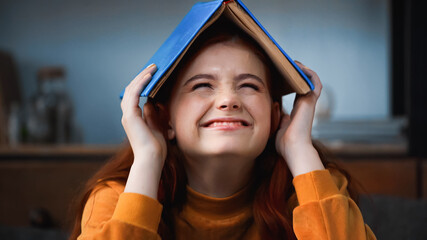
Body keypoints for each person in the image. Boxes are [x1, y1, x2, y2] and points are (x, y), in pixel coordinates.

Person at [69, 23, 376, 240]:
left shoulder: (315, 188)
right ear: (167, 120)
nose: (229, 100)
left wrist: (299, 148)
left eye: (249, 86)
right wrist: (148, 158)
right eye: (202, 85)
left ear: (273, 114)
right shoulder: (117, 199)